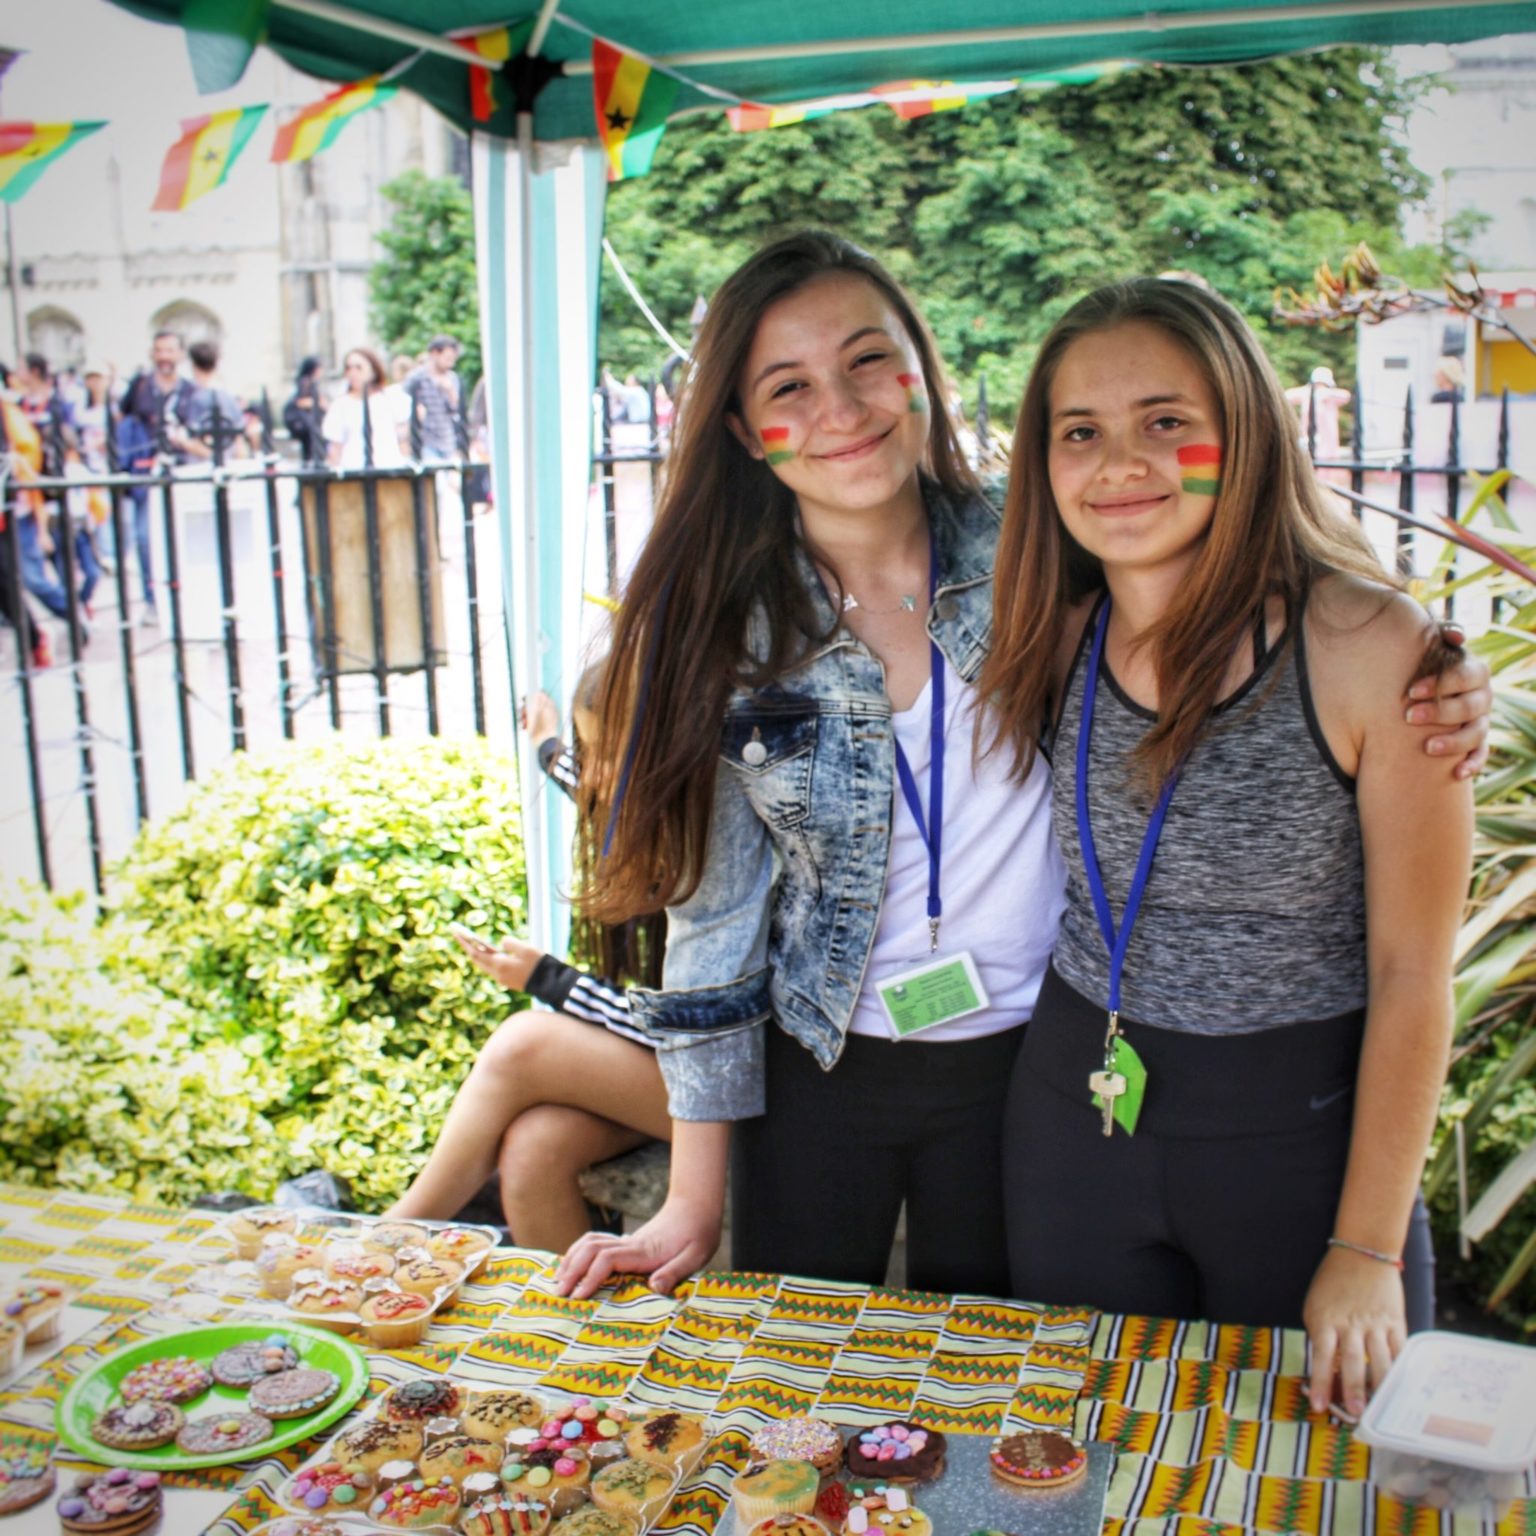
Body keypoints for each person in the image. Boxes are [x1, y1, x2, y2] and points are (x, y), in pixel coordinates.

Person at [553, 233, 1492, 1306]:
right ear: (740, 428)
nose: (843, 409)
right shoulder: (733, 636)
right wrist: (692, 1199)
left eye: (869, 361)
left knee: (1008, 1409)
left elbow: (1232, 546)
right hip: (819, 1064)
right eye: (789, 388)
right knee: (801, 1391)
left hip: (1028, 1061)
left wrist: (1431, 671)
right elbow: (714, 927)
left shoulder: (1037, 550)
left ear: (922, 364)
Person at [985, 277, 1472, 1420]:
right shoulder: (1045, 627)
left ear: (1243, 430)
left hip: (1299, 1144)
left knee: (1319, 1478)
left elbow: (1416, 975)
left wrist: (1365, 1246)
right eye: (1080, 433)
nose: (1120, 464)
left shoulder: (1366, 645)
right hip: (1074, 1119)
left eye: (1166, 422)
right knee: (1090, 1459)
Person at [387, 676, 669, 1251]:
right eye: (584, 755)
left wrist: (547, 979)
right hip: (691, 1081)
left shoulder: (713, 849)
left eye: (603, 755)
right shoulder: (649, 821)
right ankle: (573, 1334)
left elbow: (691, 1022)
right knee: (535, 1148)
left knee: (524, 1043)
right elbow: (587, 787)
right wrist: (546, 745)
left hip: (750, 1092)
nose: (587, 776)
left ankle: (392, 1236)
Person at [119, 329, 194, 622]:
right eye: (160, 350)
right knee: (145, 537)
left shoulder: (188, 391)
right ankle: (153, 598)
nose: (164, 356)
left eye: (170, 350)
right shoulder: (139, 388)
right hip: (145, 471)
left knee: (181, 537)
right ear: (152, 353)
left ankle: (183, 592)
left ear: (180, 355)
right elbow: (121, 421)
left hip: (181, 470)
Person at [322, 348, 410, 471]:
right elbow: (335, 446)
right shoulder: (341, 404)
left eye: (359, 367)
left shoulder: (390, 398)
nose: (353, 373)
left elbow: (403, 438)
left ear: (373, 370)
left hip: (389, 470)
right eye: (348, 368)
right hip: (353, 472)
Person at [169, 340, 245, 462]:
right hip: (230, 466)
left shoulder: (194, 398)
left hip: (202, 468)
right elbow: (240, 445)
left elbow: (200, 444)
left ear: (193, 365)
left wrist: (182, 441)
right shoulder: (229, 398)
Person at [404, 337, 466, 463]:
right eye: (447, 358)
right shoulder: (416, 378)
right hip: (425, 440)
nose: (451, 363)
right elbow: (403, 404)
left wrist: (450, 391)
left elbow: (458, 411)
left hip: (448, 440)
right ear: (434, 353)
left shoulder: (453, 378)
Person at [282, 357, 326, 463]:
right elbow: (300, 401)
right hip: (306, 424)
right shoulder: (305, 381)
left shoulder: (310, 382)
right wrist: (319, 404)